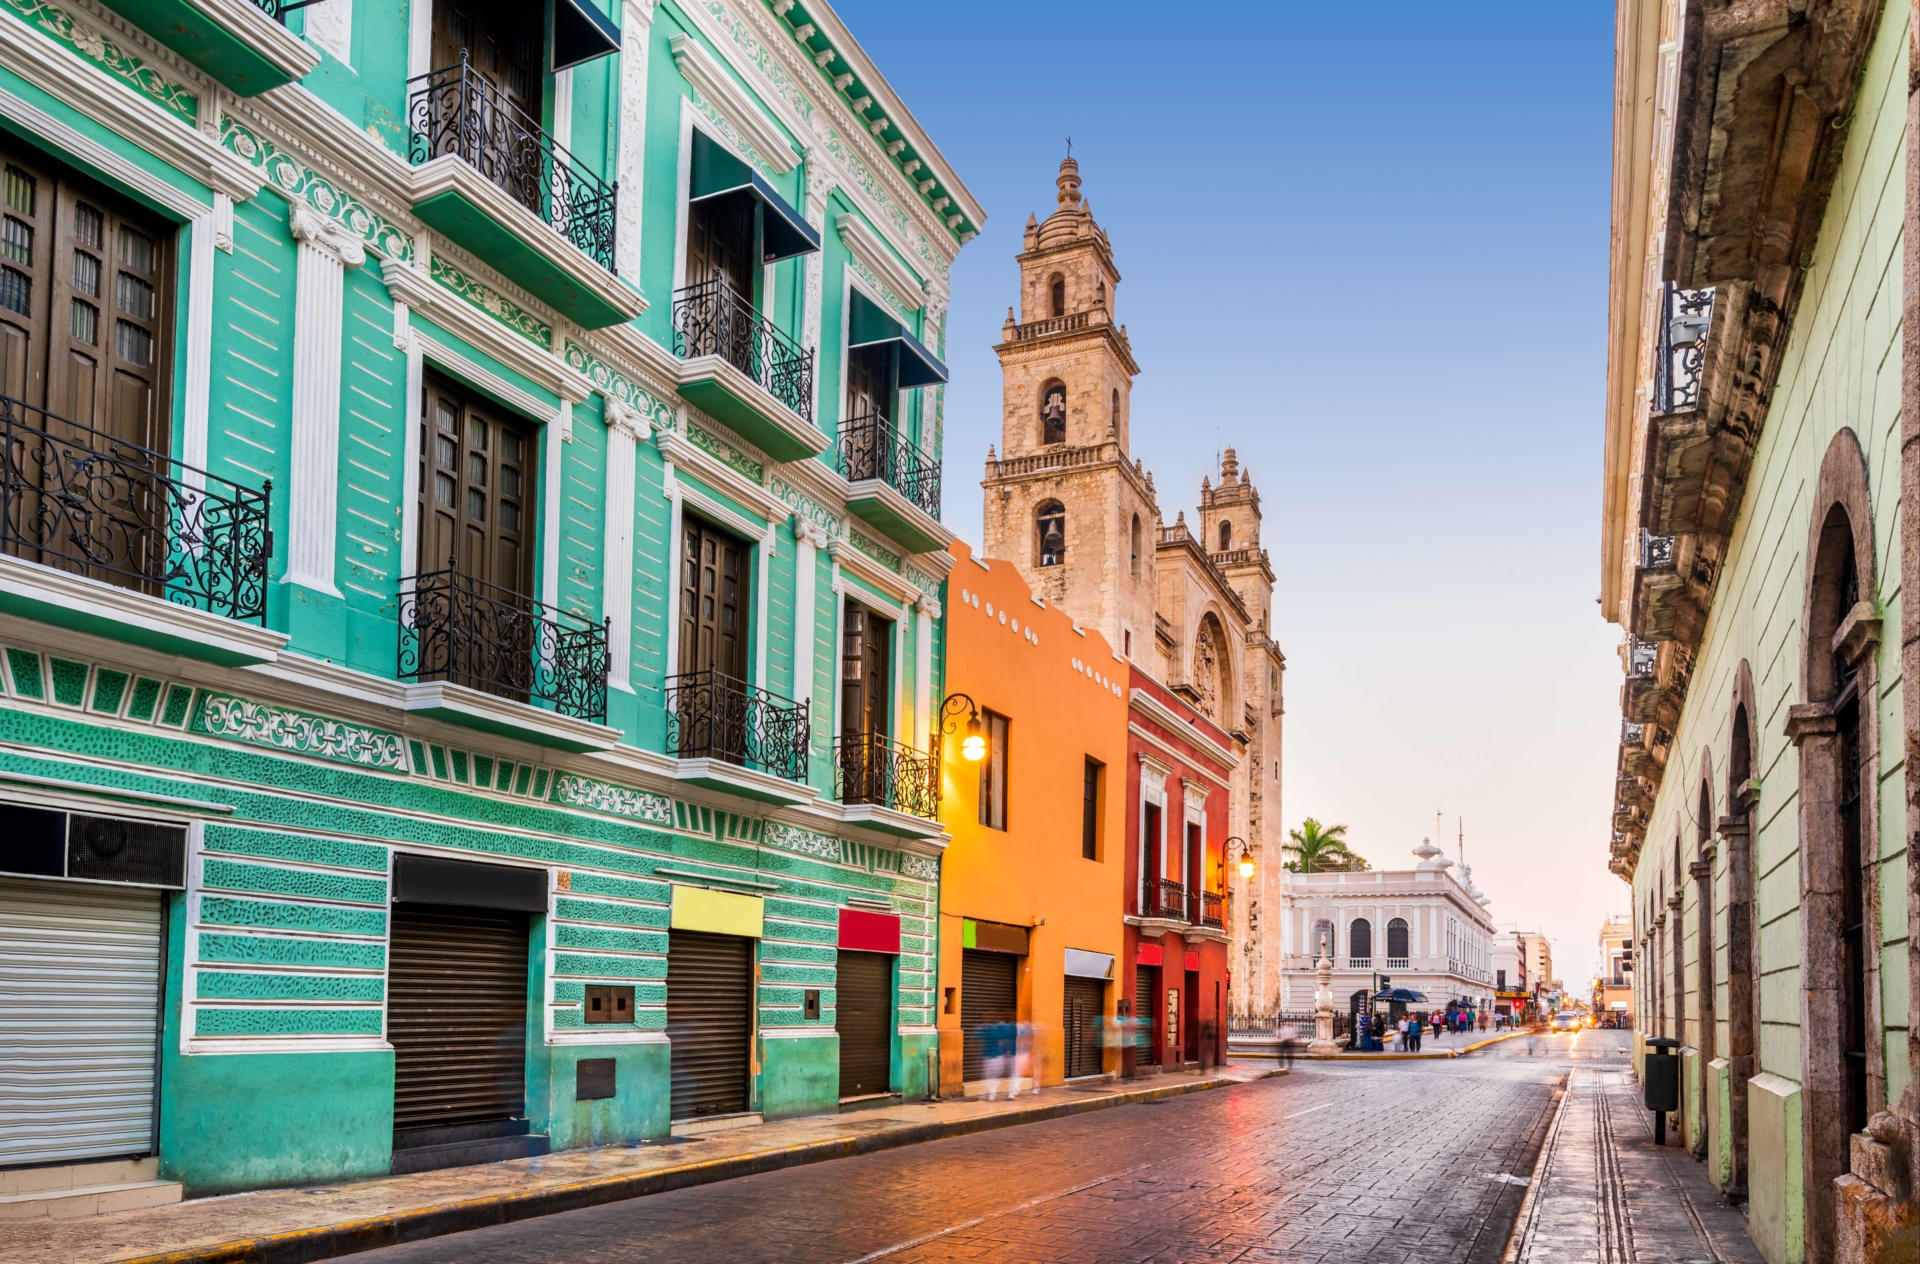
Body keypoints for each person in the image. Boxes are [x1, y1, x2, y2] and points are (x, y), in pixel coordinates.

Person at [982, 1011, 1016, 1100]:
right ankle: (992, 1094)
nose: (1010, 1016)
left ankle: (1011, 1093)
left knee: (1012, 1074)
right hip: (1003, 1054)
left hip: (1012, 1054)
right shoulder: (1000, 1026)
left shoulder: (1010, 1027)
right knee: (991, 1075)